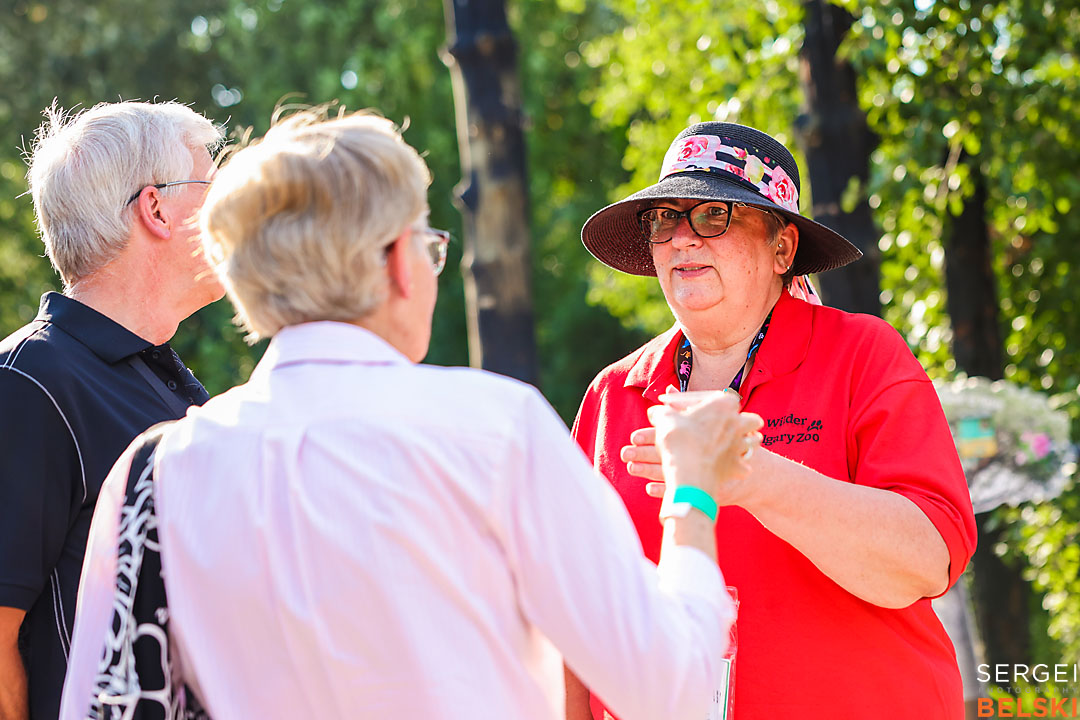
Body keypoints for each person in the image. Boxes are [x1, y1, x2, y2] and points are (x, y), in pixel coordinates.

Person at [59, 109, 764, 720]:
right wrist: (692, 491)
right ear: (398, 262)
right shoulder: (494, 430)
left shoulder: (155, 472)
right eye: (429, 245)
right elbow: (669, 690)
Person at [566, 122, 978, 719]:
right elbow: (572, 605)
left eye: (713, 215)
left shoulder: (862, 354)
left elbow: (926, 562)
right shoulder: (612, 394)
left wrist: (749, 477)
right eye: (664, 219)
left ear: (782, 249)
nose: (682, 239)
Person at [0, 100, 224, 720]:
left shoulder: (166, 382)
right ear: (156, 208)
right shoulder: (29, 382)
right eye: (212, 188)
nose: (232, 211)